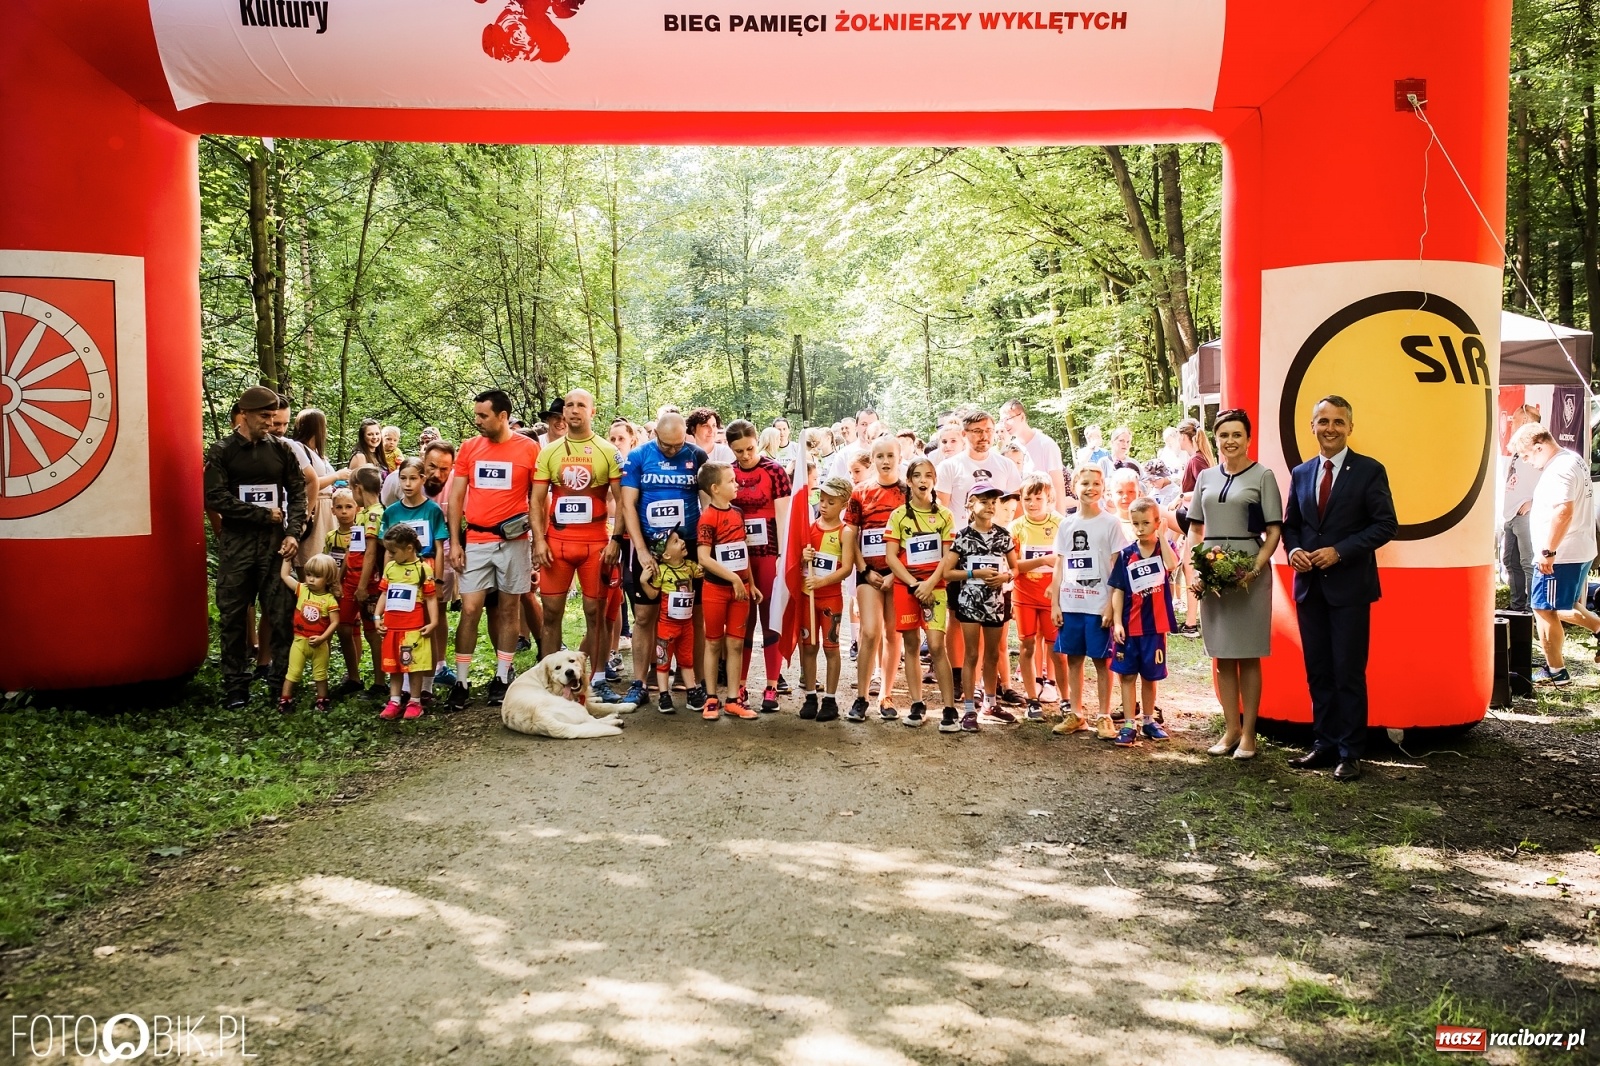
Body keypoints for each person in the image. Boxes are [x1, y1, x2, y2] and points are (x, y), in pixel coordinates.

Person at [1282, 395, 1398, 782]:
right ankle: (1325, 743)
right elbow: (1292, 525)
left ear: (1350, 427)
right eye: (1322, 421)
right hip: (1309, 588)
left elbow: (1385, 525)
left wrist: (1340, 551)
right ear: (1312, 426)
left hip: (1350, 588)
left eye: (1337, 422)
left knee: (1347, 671)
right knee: (1318, 670)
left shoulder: (1368, 471)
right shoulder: (1301, 473)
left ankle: (1350, 751)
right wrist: (1295, 549)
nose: (1329, 428)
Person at [1185, 410, 1283, 760]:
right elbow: (1195, 529)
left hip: (1249, 569)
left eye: (1237, 434)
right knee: (1223, 654)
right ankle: (1231, 729)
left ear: (1248, 438)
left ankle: (1250, 735)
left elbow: (1273, 530)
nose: (1230, 440)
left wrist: (1254, 569)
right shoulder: (1206, 477)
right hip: (1211, 566)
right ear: (1216, 438)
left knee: (1248, 652)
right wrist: (1194, 569)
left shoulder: (1263, 476)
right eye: (1224, 434)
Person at [205, 385, 309, 709]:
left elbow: (298, 492)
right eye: (265, 416)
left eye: (273, 415)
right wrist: (262, 514)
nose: (271, 421)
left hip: (276, 547)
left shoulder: (281, 451)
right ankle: (235, 685)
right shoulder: (222, 451)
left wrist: (293, 532)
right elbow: (214, 497)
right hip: (237, 545)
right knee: (233, 616)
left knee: (280, 615)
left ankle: (281, 683)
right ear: (245, 414)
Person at [448, 389, 541, 710]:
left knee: (508, 609)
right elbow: (457, 497)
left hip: (514, 542)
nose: (477, 421)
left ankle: (502, 677)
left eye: (483, 416)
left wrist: (536, 536)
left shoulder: (529, 449)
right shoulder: (469, 448)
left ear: (503, 416)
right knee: (471, 608)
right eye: (476, 415)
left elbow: (540, 498)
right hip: (476, 540)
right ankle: (461, 680)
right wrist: (455, 542)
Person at [532, 388, 627, 698]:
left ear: (592, 411)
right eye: (569, 405)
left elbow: (622, 499)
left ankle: (598, 678)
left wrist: (616, 539)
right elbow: (535, 500)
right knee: (551, 614)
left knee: (595, 613)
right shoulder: (549, 450)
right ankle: (550, 683)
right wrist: (539, 541)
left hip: (595, 544)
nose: (574, 410)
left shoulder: (606, 451)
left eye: (580, 405)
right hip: (557, 544)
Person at [618, 411, 708, 708]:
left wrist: (708, 545)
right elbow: (628, 505)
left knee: (691, 614)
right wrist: (641, 550)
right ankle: (640, 682)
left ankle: (692, 679)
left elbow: (708, 503)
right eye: (666, 445)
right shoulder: (638, 456)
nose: (672, 451)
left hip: (687, 546)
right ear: (655, 434)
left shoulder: (696, 455)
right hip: (649, 545)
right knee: (645, 615)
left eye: (677, 445)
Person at [1511, 421, 1600, 685]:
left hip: (1561, 554)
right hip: (1577, 549)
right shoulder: (1571, 459)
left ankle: (1556, 672)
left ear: (1539, 446)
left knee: (1543, 608)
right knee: (1565, 604)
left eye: (1526, 455)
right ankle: (1598, 627)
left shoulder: (1559, 468)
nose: (1527, 462)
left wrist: (1548, 551)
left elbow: (1563, 511)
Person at [1047, 466, 1127, 737]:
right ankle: (1077, 714)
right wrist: (1056, 603)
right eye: (1085, 483)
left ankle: (1104, 716)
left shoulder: (1111, 523)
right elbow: (1060, 564)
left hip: (1098, 606)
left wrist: (1110, 606)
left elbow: (1118, 567)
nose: (1090, 488)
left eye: (1096, 483)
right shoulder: (1067, 524)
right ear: (1074, 487)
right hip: (1071, 605)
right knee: (1073, 659)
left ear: (1103, 488)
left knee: (1102, 661)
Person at [884, 457, 956, 729]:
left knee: (937, 646)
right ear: (910, 481)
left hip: (935, 587)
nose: (923, 480)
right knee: (911, 644)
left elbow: (948, 559)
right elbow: (891, 558)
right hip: (907, 587)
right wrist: (915, 585)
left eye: (928, 475)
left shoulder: (945, 515)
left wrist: (929, 584)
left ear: (934, 480)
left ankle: (949, 708)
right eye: (917, 475)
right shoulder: (899, 515)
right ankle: (917, 703)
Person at [727, 419, 794, 712]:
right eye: (738, 450)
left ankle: (770, 685)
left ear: (757, 441)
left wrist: (782, 557)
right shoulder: (727, 472)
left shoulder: (774, 471)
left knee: (770, 620)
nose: (745, 455)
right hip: (738, 557)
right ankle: (739, 686)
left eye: (749, 448)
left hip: (768, 553)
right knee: (742, 622)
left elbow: (784, 517)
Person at [943, 482, 1021, 732]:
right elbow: (947, 572)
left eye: (993, 502)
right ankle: (968, 709)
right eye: (984, 501)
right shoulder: (963, 536)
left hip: (996, 603)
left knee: (993, 654)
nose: (989, 506)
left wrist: (1006, 577)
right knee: (972, 655)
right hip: (969, 603)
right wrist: (973, 572)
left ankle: (991, 703)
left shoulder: (1003, 535)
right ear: (970, 504)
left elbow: (1015, 568)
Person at [1107, 497, 1179, 746]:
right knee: (1127, 676)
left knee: (1150, 676)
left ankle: (1149, 720)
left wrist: (1162, 537)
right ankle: (1129, 723)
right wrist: (1117, 622)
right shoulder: (1127, 555)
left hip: (1154, 628)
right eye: (1135, 523)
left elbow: (1172, 565)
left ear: (1158, 523)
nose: (1140, 528)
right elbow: (1117, 590)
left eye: (1146, 523)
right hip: (1129, 627)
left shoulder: (1164, 549)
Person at [846, 437, 908, 721]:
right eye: (880, 456)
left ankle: (886, 694)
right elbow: (851, 534)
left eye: (890, 456)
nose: (885, 461)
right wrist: (863, 569)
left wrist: (897, 574)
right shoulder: (860, 492)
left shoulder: (908, 492)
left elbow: (914, 536)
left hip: (898, 573)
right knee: (869, 631)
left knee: (892, 633)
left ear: (898, 457)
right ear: (872, 459)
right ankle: (861, 696)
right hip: (868, 573)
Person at [381, 457, 451, 705]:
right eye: (403, 478)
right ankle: (404, 689)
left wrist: (440, 580)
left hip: (426, 573)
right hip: (399, 579)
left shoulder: (432, 510)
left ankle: (426, 687)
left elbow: (440, 547)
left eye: (413, 478)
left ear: (423, 479)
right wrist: (384, 580)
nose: (408, 484)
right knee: (401, 629)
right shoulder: (392, 512)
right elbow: (387, 549)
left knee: (425, 630)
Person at [696, 461, 760, 720]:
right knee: (713, 643)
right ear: (715, 488)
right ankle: (711, 698)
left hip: (741, 590)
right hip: (716, 589)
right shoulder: (708, 517)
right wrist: (733, 579)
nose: (737, 484)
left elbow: (743, 551)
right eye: (731, 481)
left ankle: (734, 699)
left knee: (735, 644)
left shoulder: (738, 513)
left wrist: (750, 582)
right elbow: (703, 557)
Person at [1009, 474, 1064, 720]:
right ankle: (1032, 699)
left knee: (1057, 649)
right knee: (1027, 645)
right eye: (1027, 498)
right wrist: (1041, 560)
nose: (1032, 503)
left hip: (1053, 595)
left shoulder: (1062, 524)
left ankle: (1066, 698)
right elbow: (1013, 566)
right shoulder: (1016, 527)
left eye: (1038, 498)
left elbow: (1066, 561)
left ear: (1049, 497)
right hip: (1024, 595)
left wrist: (1055, 584)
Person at [800, 476, 854, 722]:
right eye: (821, 500)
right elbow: (795, 561)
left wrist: (822, 582)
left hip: (830, 598)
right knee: (808, 647)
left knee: (831, 647)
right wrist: (803, 556)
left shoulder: (845, 532)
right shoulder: (808, 528)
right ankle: (810, 695)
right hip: (807, 597)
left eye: (831, 502)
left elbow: (847, 568)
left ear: (843, 504)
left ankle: (830, 700)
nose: (823, 505)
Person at [373, 524, 440, 721]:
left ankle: (415, 701)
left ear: (409, 548)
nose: (390, 555)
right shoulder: (390, 568)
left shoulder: (423, 569)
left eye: (393, 551)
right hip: (391, 627)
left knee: (413, 665)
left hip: (413, 628)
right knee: (394, 665)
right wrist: (377, 616)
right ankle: (394, 700)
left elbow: (430, 598)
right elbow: (384, 593)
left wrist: (434, 621)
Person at [642, 529, 701, 714]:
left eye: (680, 538)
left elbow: (703, 571)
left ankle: (692, 692)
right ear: (666, 555)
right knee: (663, 661)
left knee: (687, 659)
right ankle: (664, 695)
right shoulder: (662, 572)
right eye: (676, 541)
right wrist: (644, 582)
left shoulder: (690, 566)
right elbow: (653, 594)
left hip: (686, 624)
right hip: (667, 625)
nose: (682, 541)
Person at [936, 409, 1022, 529]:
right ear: (964, 434)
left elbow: (1018, 508)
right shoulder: (948, 467)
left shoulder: (1007, 465)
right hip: (961, 542)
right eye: (977, 431)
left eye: (989, 430)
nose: (984, 436)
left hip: (998, 541)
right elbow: (941, 511)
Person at [277, 554, 341, 713]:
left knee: (320, 674)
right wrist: (287, 557)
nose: (311, 579)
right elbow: (285, 576)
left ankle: (322, 700)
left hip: (319, 645)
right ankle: (285, 700)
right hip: (299, 641)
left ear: (328, 578)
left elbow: (335, 622)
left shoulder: (330, 600)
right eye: (309, 574)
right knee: (293, 672)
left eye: (317, 576)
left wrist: (323, 638)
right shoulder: (302, 589)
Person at [344, 466, 387, 695]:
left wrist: (362, 586)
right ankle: (353, 677)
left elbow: (371, 552)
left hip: (368, 582)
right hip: (351, 578)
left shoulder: (375, 514)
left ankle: (380, 682)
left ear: (358, 488)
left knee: (372, 631)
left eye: (351, 489)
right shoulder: (361, 512)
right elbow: (354, 548)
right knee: (344, 625)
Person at [289, 409, 349, 569]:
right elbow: (306, 484)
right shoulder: (298, 448)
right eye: (324, 425)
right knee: (311, 557)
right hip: (315, 507)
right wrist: (337, 475)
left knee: (330, 559)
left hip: (327, 509)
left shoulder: (317, 452)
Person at [1500, 403, 1542, 613]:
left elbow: (1550, 478)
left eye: (1514, 420)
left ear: (1525, 420)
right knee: (1510, 561)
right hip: (1511, 513)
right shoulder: (1518, 448)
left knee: (1528, 562)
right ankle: (1518, 607)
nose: (1511, 424)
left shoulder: (1538, 446)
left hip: (1526, 514)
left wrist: (1533, 502)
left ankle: (1533, 609)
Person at [999, 400, 1067, 511]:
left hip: (1046, 515)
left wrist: (1061, 519)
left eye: (1008, 419)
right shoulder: (1011, 448)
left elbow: (1058, 485)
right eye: (1002, 421)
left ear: (1022, 417)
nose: (1005, 424)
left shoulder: (1046, 444)